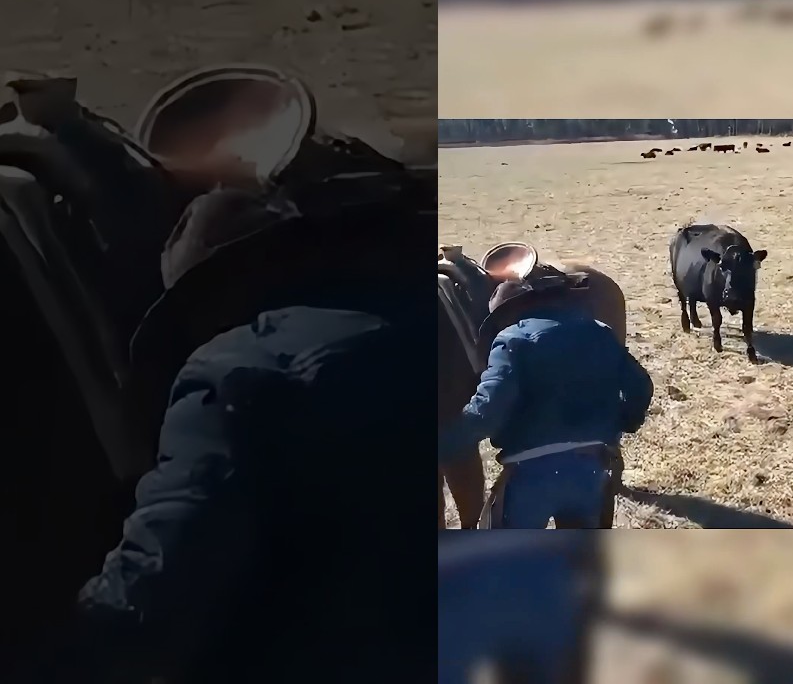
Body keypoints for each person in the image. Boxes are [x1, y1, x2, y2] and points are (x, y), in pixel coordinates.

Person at [45, 157, 436, 682]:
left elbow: (165, 575)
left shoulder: (235, 370)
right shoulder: (415, 321)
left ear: (219, 286)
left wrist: (66, 650)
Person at [437, 277, 654, 529]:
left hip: (531, 475)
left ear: (509, 311)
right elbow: (641, 387)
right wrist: (624, 422)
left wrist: (448, 443)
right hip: (591, 469)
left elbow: (486, 411)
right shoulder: (599, 330)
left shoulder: (511, 340)